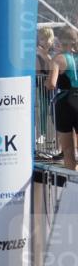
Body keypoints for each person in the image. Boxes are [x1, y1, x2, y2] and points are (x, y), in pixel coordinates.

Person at [48, 28, 78, 171]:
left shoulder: (58, 58)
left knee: (68, 149)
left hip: (66, 103)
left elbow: (52, 83)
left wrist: (46, 83)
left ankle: (73, 183)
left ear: (60, 41)